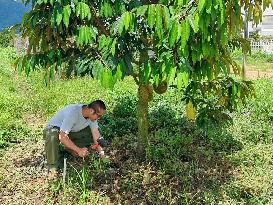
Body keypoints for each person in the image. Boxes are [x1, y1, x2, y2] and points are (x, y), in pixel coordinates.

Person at [43, 100, 106, 172]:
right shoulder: (73, 113)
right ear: (91, 111)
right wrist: (79, 150)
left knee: (93, 132)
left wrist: (101, 153)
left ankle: (69, 148)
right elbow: (62, 137)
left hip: (70, 130)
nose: (99, 118)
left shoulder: (91, 116)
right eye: (99, 115)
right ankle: (52, 165)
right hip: (56, 129)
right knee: (52, 136)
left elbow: (96, 133)